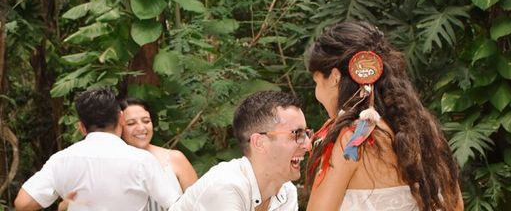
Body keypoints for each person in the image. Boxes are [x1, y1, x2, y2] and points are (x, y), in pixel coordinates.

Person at [305, 20, 463, 211]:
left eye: (316, 82)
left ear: (335, 77)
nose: (317, 93)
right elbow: (456, 205)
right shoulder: (424, 136)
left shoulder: (353, 140)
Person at [14, 87, 181, 211]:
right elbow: (177, 205)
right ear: (121, 118)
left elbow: (22, 203)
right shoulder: (142, 161)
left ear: (82, 127)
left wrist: (65, 206)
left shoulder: (61, 160)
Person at [169, 90, 310, 211]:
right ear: (259, 143)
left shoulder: (286, 191)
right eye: (296, 134)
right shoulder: (226, 186)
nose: (308, 145)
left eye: (306, 133)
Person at [120, 97, 198, 210]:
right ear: (118, 127)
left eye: (146, 121)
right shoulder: (112, 162)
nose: (141, 128)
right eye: (131, 123)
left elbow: (198, 204)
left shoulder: (175, 158)